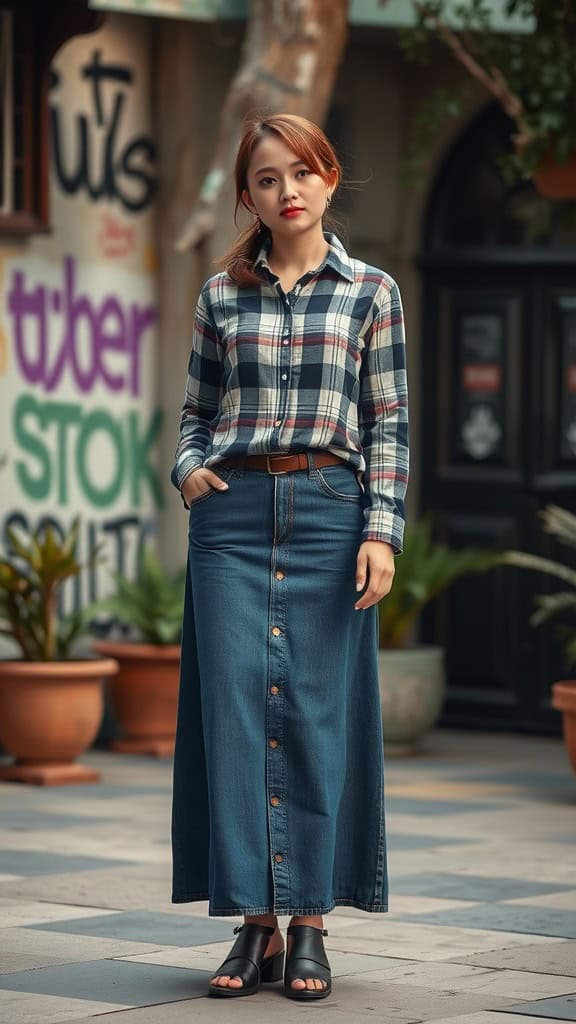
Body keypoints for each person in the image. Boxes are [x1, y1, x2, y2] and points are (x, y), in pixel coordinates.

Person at [170, 112, 409, 1002]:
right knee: (232, 715)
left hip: (329, 515)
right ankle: (252, 924)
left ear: (330, 178)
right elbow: (194, 414)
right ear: (250, 196)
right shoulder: (218, 295)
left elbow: (389, 425)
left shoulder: (372, 292)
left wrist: (381, 529)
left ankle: (308, 922)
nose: (288, 190)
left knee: (314, 713)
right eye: (268, 179)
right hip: (230, 521)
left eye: (301, 172)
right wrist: (190, 472)